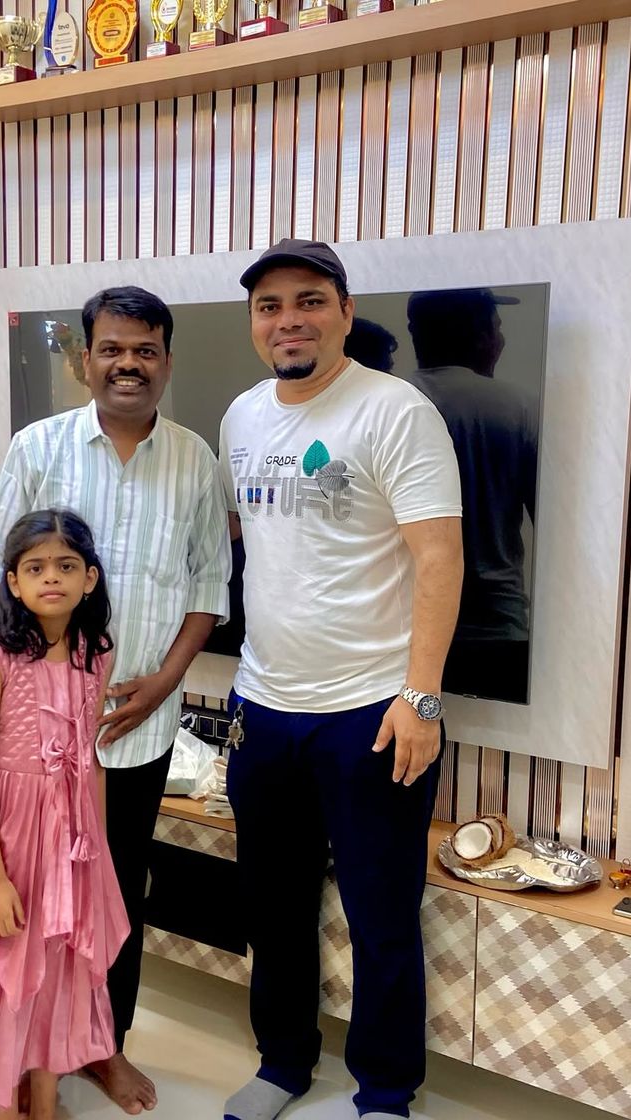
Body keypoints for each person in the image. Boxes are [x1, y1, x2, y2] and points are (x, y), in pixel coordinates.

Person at [0, 286, 230, 1114]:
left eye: (145, 350)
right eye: (111, 349)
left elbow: (208, 586)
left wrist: (166, 681)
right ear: (85, 359)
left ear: (167, 361)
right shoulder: (38, 445)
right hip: (28, 741)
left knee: (112, 894)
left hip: (131, 730)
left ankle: (103, 1046)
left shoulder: (195, 460)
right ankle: (20, 1051)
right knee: (22, 897)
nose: (127, 364)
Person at [218, 240, 463, 1120]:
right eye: (270, 306)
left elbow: (440, 558)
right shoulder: (242, 416)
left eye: (310, 300)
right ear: (255, 323)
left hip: (371, 712)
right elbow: (256, 545)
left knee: (380, 912)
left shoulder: (395, 411)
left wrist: (421, 697)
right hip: (263, 707)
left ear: (346, 312)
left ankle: (386, 1090)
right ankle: (283, 1062)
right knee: (272, 906)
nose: (289, 320)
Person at [0, 509, 130, 1120]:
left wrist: (98, 855)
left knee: (58, 970)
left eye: (66, 566)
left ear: (90, 578)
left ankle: (44, 1100)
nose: (51, 578)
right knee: (8, 967)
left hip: (70, 844)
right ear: (12, 581)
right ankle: (6, 1106)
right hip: (9, 839)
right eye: (35, 568)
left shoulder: (97, 652)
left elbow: (88, 758)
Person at [405, 288, 538, 704]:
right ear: (480, 337)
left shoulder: (386, 404)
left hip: (403, 629)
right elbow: (552, 519)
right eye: (497, 328)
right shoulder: (516, 406)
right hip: (497, 625)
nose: (501, 340)